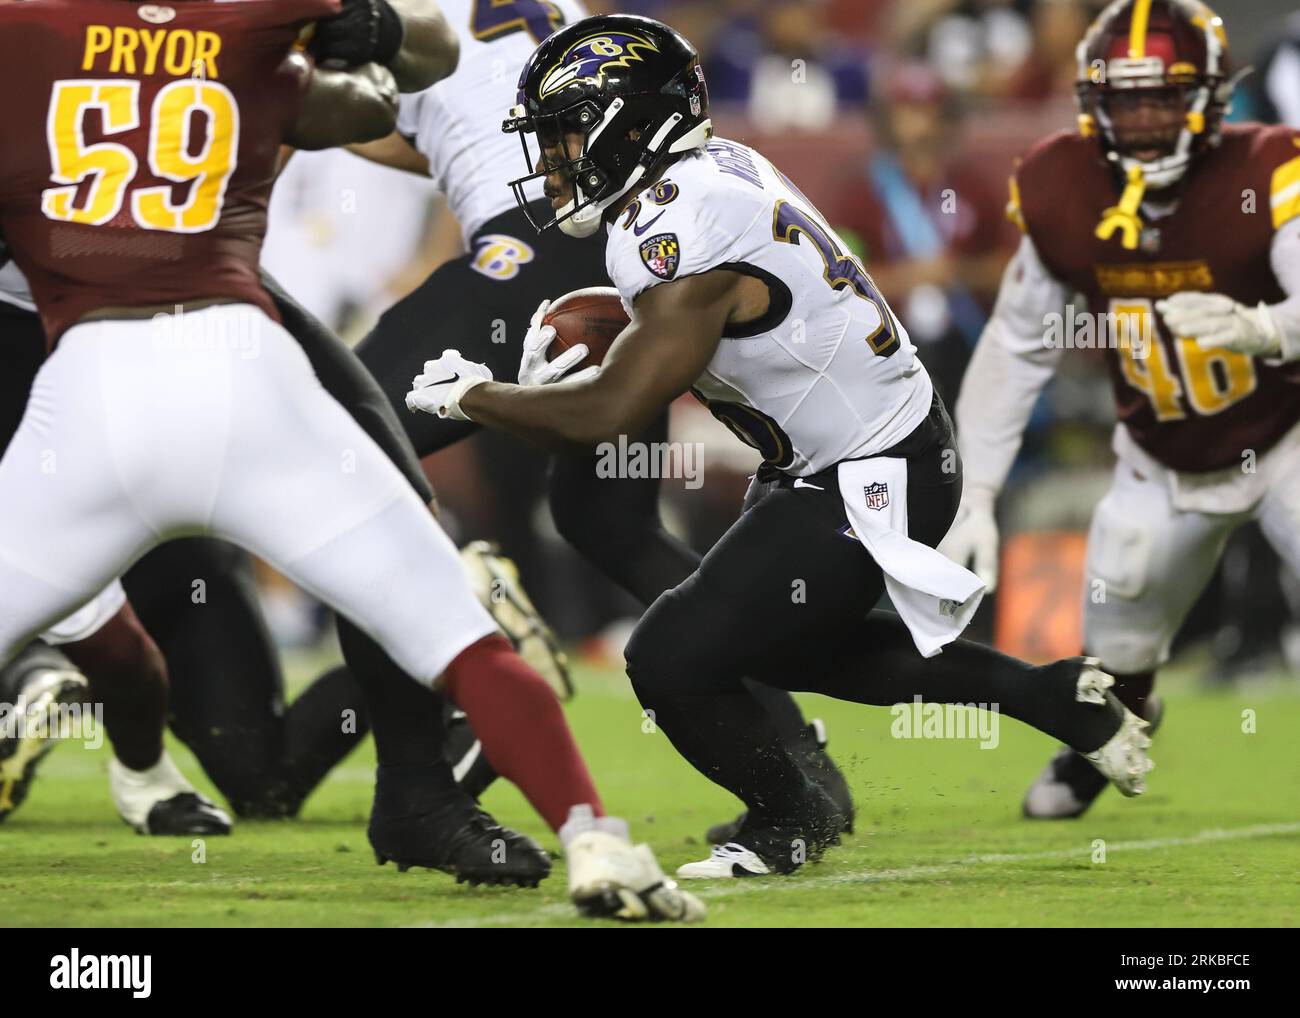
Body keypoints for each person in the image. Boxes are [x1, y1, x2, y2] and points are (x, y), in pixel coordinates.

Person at [0, 0, 704, 921]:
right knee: (463, 641)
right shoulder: (236, 33)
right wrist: (355, 44)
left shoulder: (25, 40)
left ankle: (409, 791)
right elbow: (383, 92)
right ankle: (598, 840)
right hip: (242, 373)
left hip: (86, 391)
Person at [407, 12, 1153, 879]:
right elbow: (720, 320)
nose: (558, 158)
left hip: (867, 468)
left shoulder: (685, 222)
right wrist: (609, 326)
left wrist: (478, 394)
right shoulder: (702, 177)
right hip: (860, 449)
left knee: (671, 658)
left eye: (570, 133)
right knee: (780, 641)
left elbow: (606, 415)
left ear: (629, 123)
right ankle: (1055, 695)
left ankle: (787, 819)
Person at [937, 0, 1300, 818]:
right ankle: (1112, 732)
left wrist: (1262, 327)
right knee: (1120, 637)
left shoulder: (1271, 167)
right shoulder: (1063, 183)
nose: (1140, 120)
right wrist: (981, 492)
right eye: (1123, 100)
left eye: (1161, 98)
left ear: (1207, 97)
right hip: (1160, 451)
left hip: (1285, 435)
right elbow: (1015, 345)